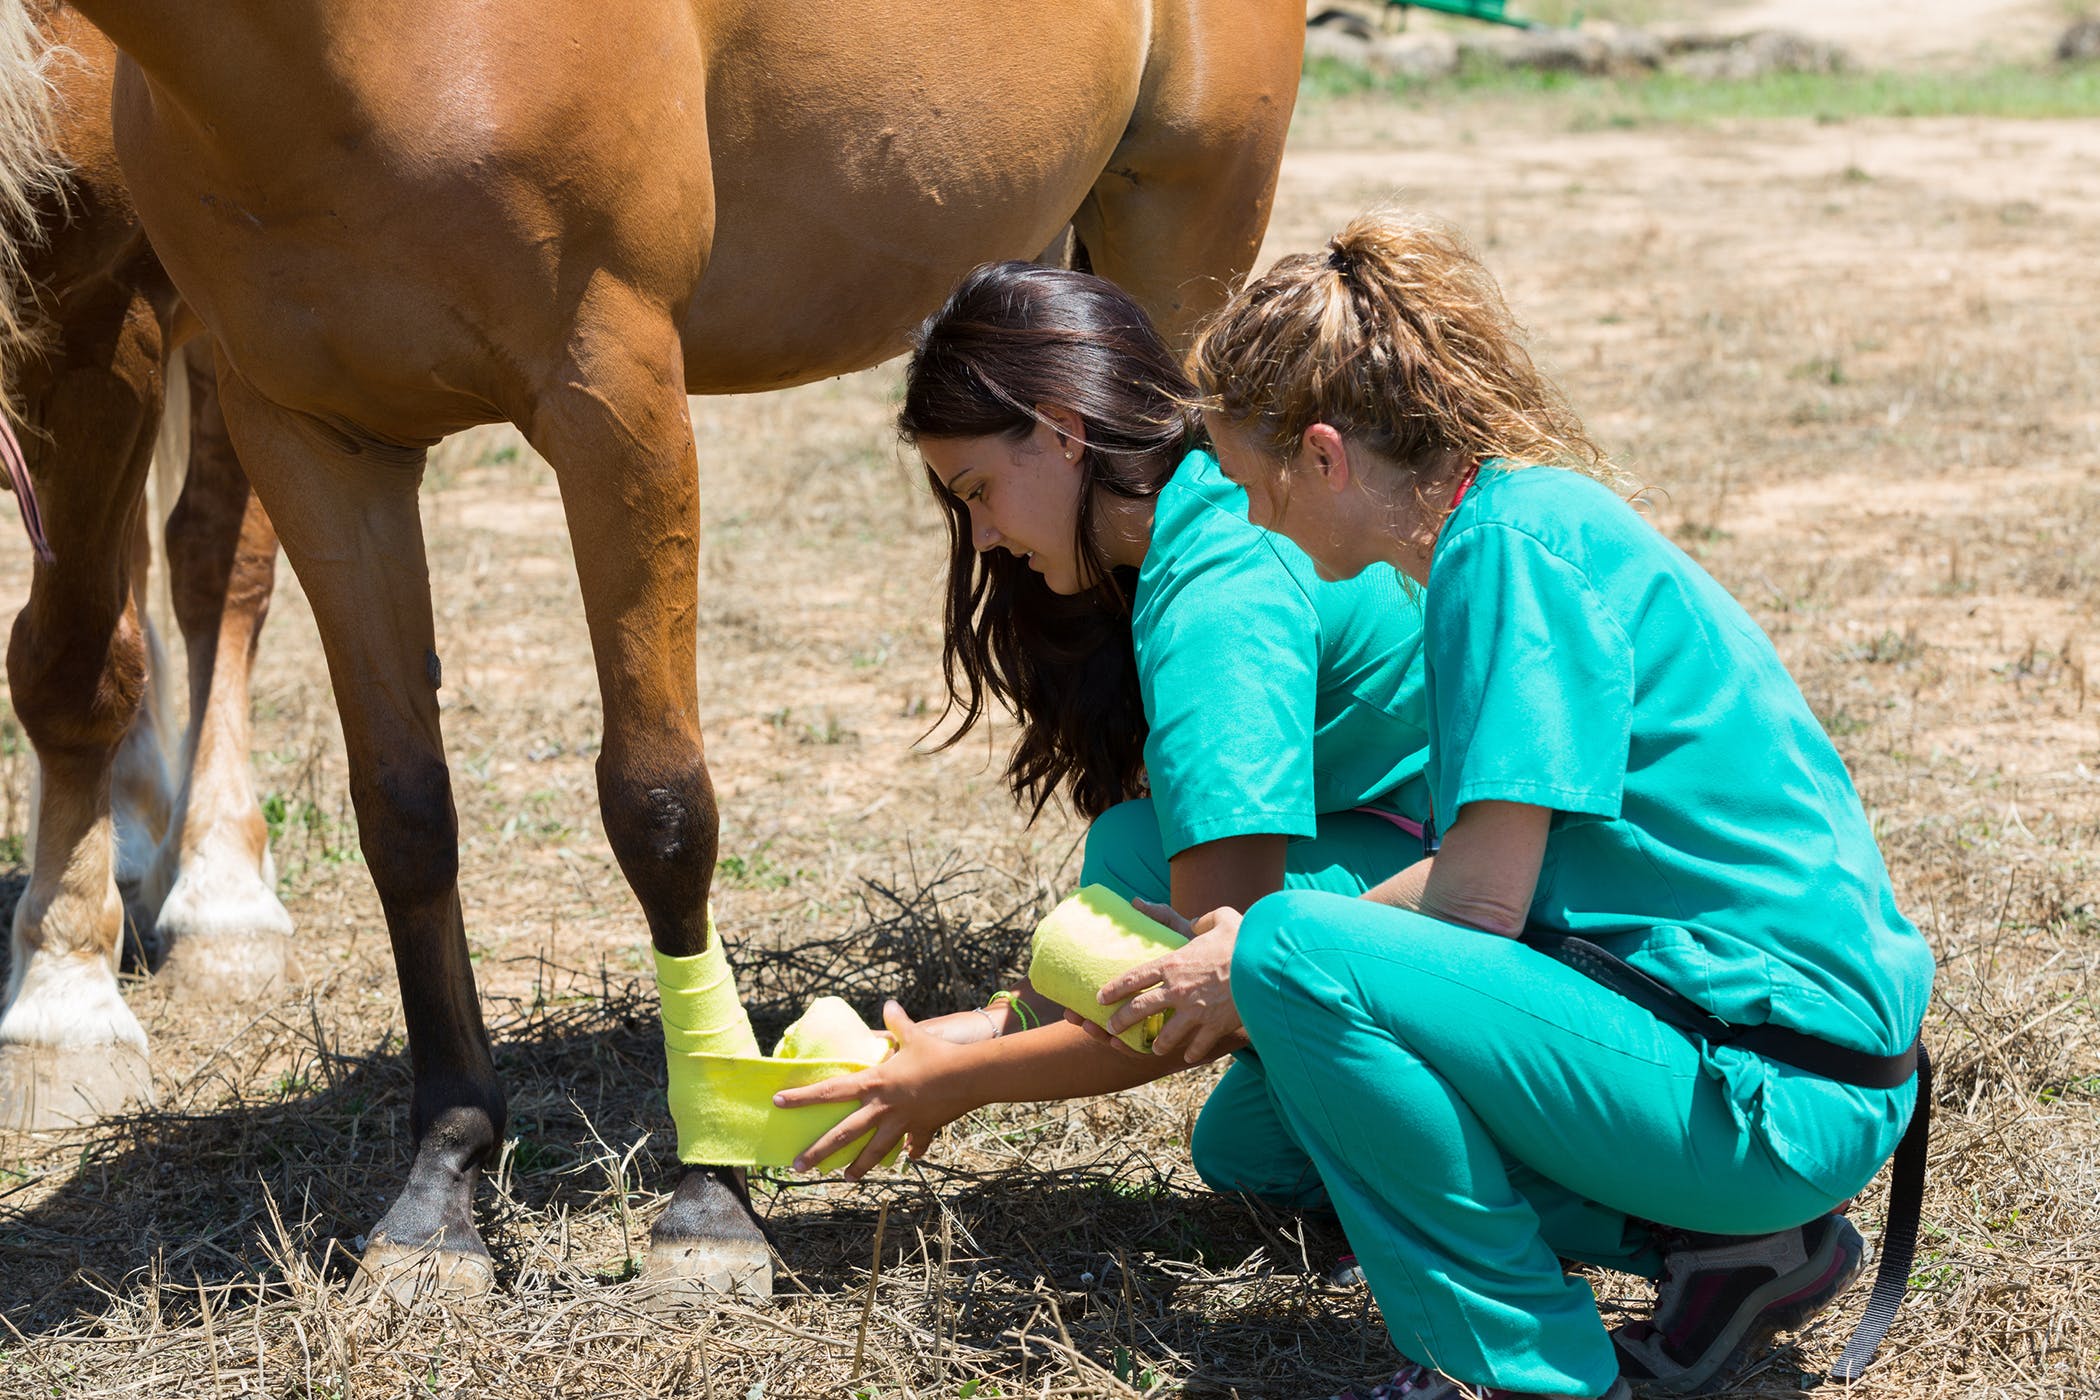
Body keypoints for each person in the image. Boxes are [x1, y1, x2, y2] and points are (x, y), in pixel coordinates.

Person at [1076, 211, 1930, 1400]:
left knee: (1289, 955)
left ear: (1324, 456)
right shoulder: (1513, 522)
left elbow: (1480, 899)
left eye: (1248, 481)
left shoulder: (1506, 548)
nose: (1251, 519)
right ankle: (1736, 1249)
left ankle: (1525, 1373)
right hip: (1781, 1061)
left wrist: (1261, 960)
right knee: (1257, 1125)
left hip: (1764, 1085)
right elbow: (1490, 876)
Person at [773, 259, 1436, 1213]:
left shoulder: (1217, 598)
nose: (984, 535)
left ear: (1062, 432)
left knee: (1259, 1141)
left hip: (1500, 899)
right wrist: (990, 1028)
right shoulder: (1203, 497)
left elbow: (1209, 972)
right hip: (1424, 844)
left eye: (978, 490)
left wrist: (954, 1086)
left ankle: (1590, 1177)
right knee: (1139, 856)